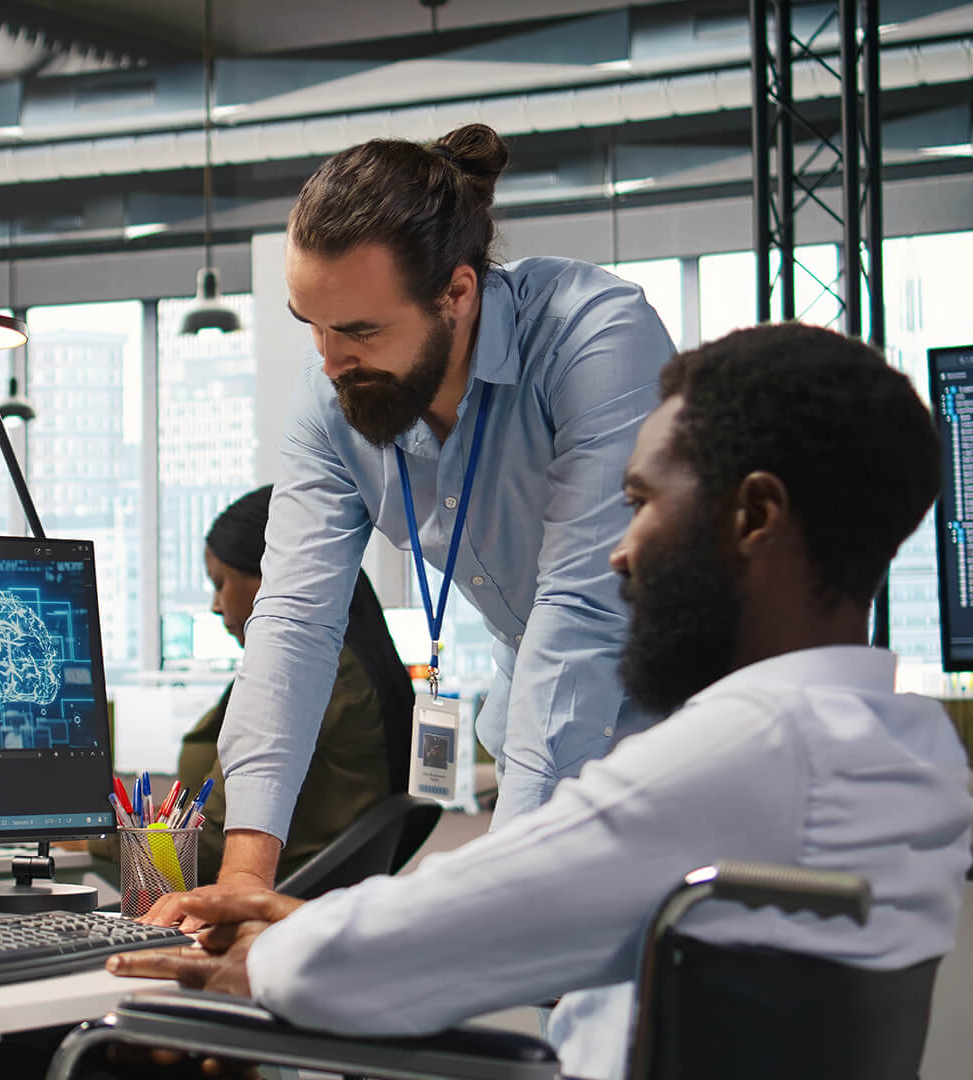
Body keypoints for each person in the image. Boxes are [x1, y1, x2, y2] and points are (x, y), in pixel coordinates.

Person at [109, 324, 973, 1080]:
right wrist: (329, 927)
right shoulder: (902, 744)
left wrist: (266, 959)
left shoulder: (754, 748)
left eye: (638, 503)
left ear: (755, 516)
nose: (618, 550)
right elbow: (507, 907)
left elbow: (410, 950)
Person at [160, 123, 676, 910]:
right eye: (313, 325)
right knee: (552, 997)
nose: (330, 360)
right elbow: (294, 619)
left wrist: (498, 892)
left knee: (644, 1004)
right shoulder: (332, 387)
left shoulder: (593, 338)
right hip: (537, 712)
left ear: (458, 294)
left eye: (361, 330)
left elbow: (580, 613)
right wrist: (242, 882)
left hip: (678, 710)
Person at [88, 485, 414, 886]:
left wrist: (90, 839)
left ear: (268, 578)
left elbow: (211, 848)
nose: (214, 604)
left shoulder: (306, 680)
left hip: (256, 898)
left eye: (221, 582)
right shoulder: (355, 669)